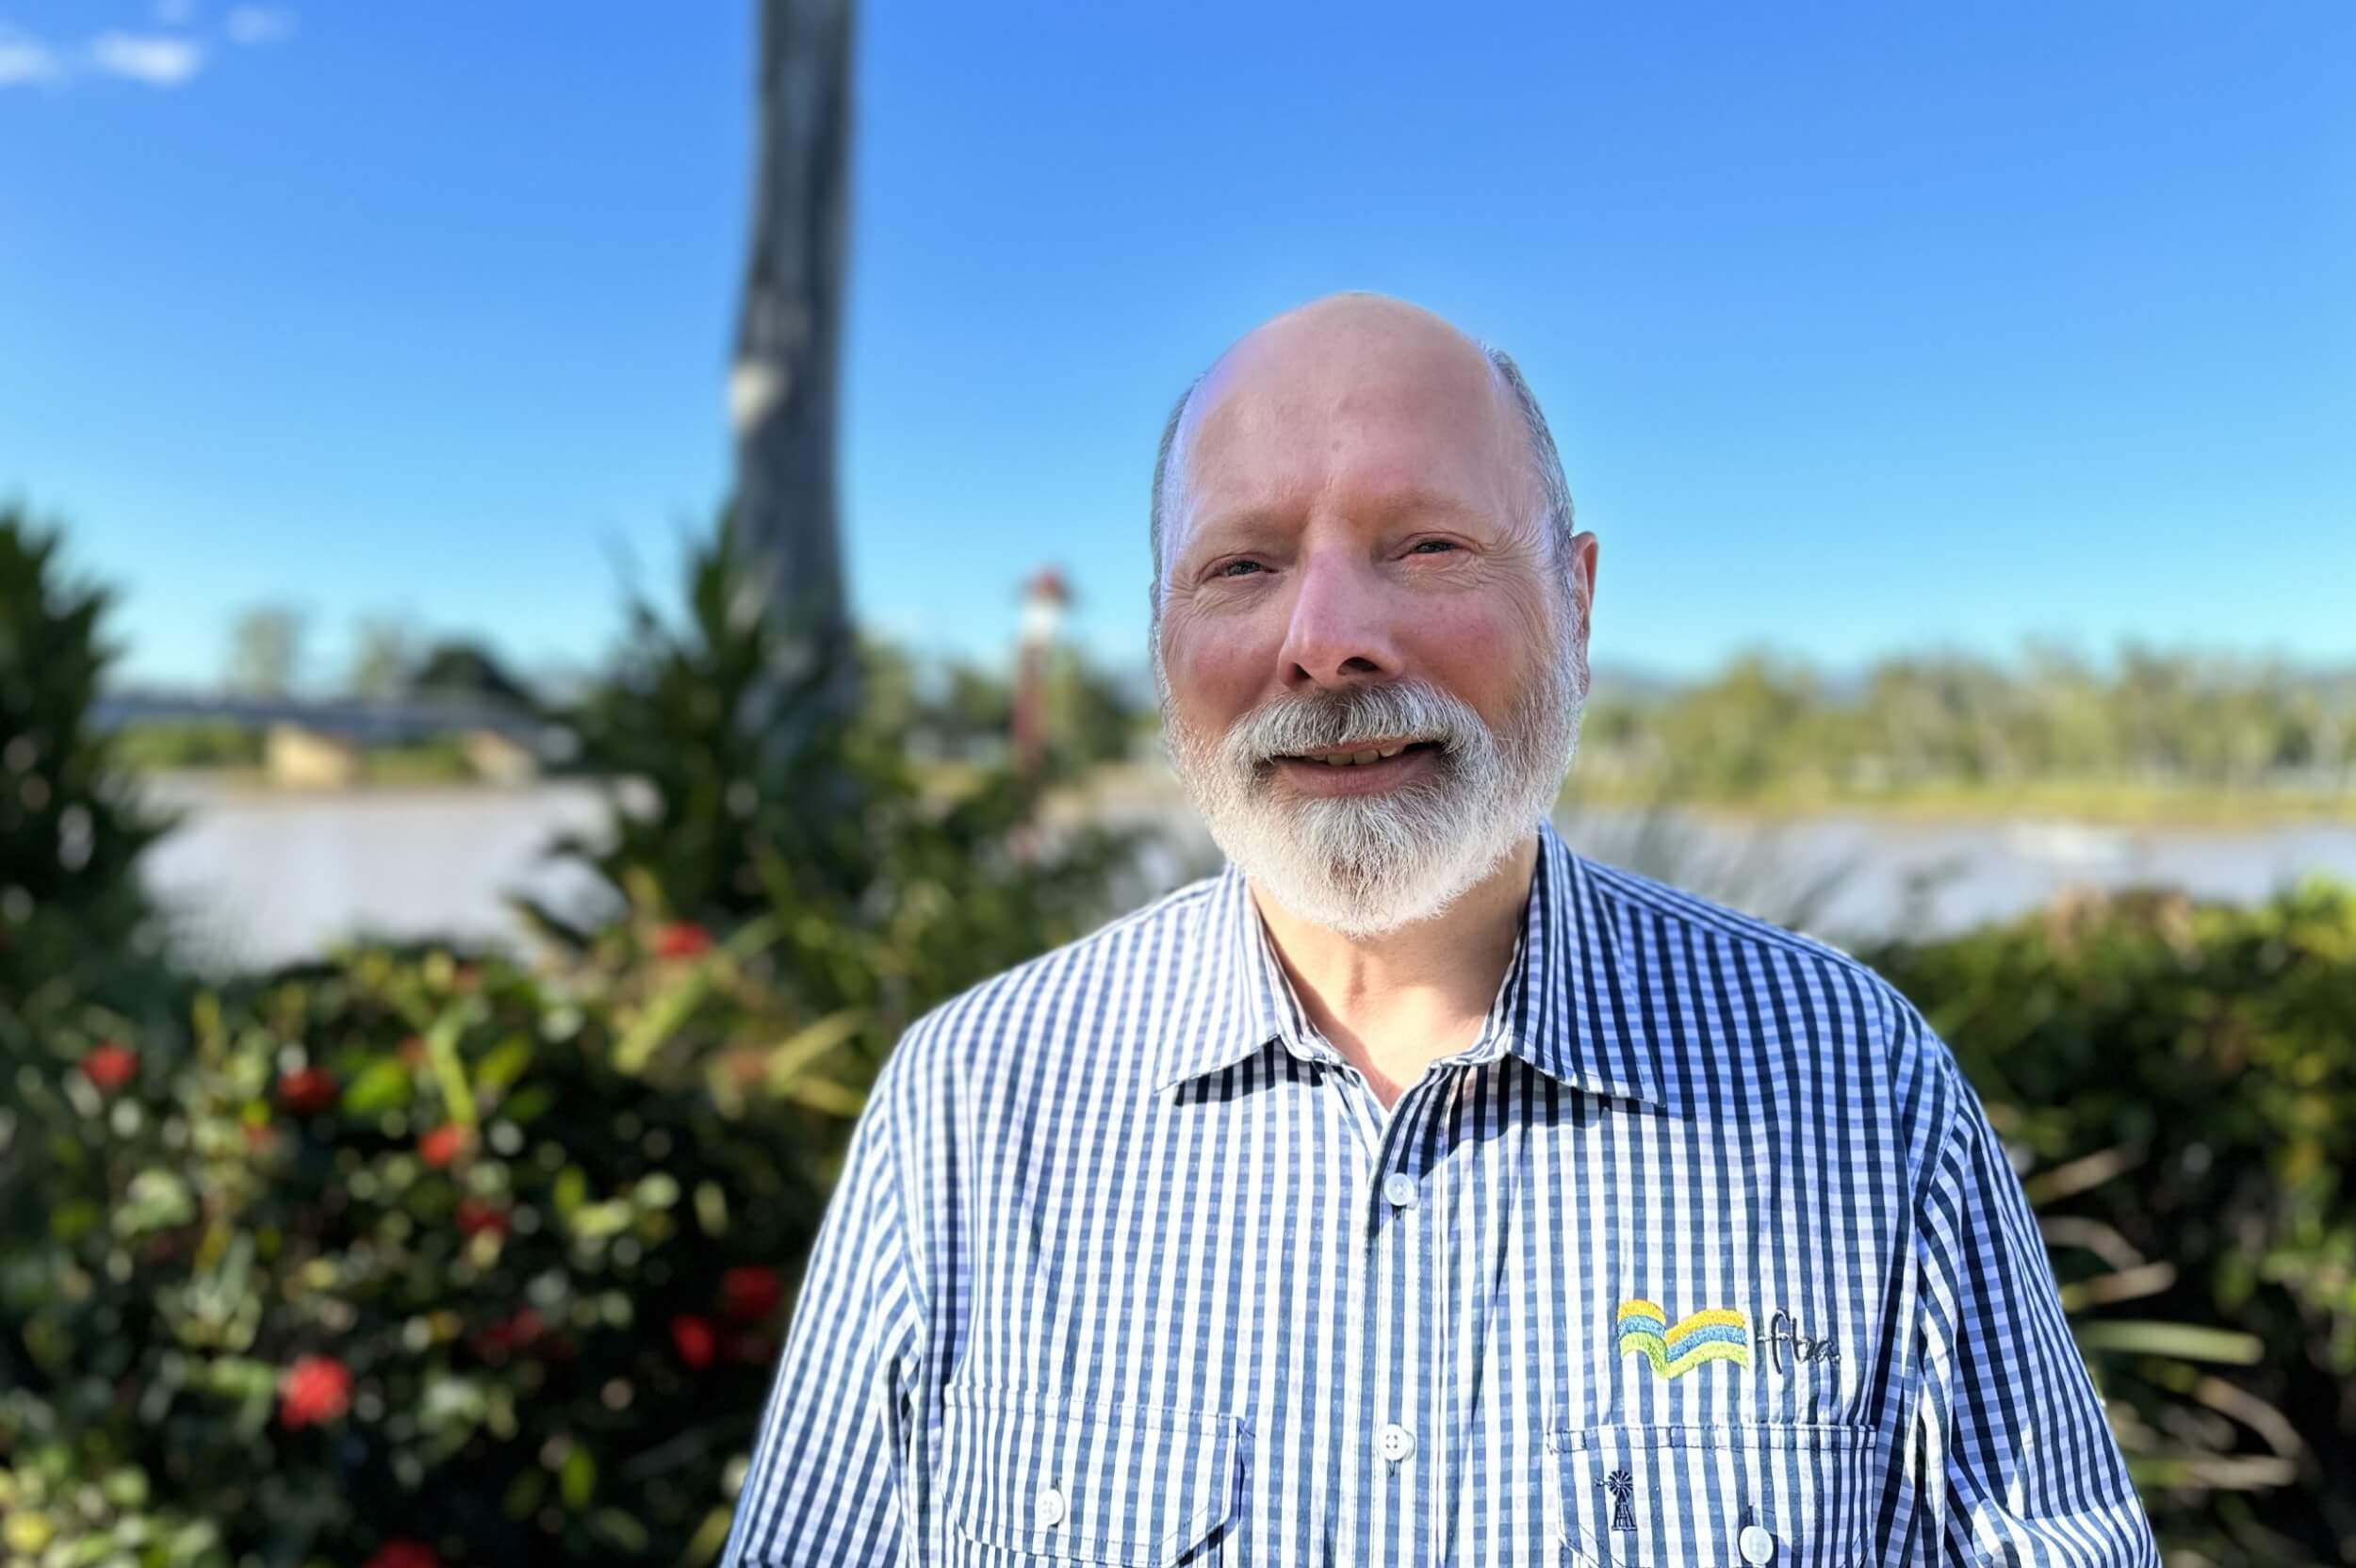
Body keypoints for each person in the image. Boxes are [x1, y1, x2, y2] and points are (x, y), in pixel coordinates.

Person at [719, 293, 2158, 1565]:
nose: (1327, 638)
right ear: (1163, 641)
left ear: (1576, 603)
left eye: (1426, 546)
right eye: (1242, 566)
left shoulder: (1854, 1083)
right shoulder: (971, 1108)